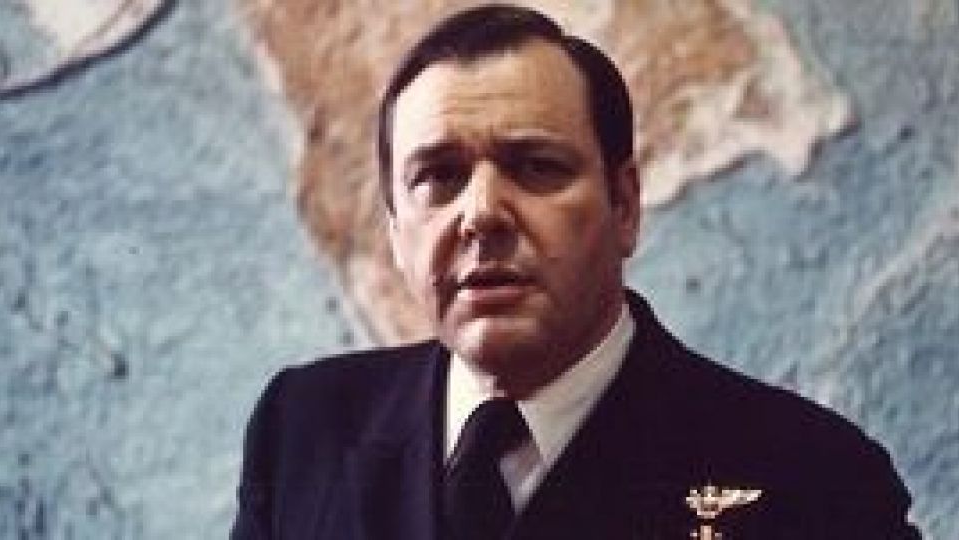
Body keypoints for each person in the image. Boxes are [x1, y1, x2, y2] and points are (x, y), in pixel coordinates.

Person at [231, 4, 920, 539]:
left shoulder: (813, 481)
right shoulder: (302, 433)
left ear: (624, 206)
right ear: (395, 233)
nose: (481, 214)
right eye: (439, 177)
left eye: (537, 167)